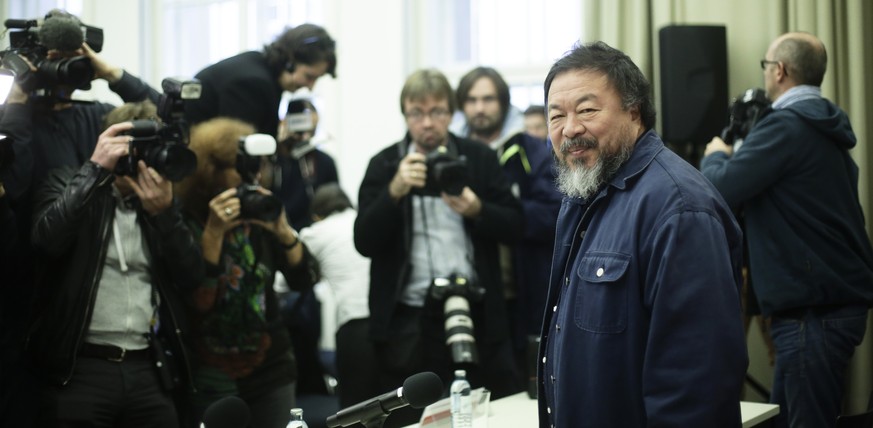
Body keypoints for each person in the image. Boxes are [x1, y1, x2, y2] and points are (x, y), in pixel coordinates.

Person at [537, 41, 748, 427]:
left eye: (586, 110)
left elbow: (697, 385)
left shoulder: (681, 209)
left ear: (634, 112)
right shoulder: (582, 196)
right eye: (555, 116)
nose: (570, 129)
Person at [701, 32, 873, 428]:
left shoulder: (786, 127)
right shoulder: (824, 123)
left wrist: (716, 157)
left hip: (811, 315)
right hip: (827, 308)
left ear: (779, 70)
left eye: (766, 65)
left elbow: (722, 189)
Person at [0, 10, 160, 426]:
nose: (65, 68)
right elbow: (14, 186)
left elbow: (164, 121)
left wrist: (113, 74)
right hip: (23, 284)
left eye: (74, 57)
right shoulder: (15, 118)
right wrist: (17, 96)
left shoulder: (94, 117)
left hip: (79, 288)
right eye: (56, 57)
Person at [354, 68, 524, 427]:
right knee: (410, 416)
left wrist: (478, 210)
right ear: (405, 115)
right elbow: (364, 241)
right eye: (417, 113)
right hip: (409, 318)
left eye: (437, 112)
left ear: (451, 113)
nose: (427, 123)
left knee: (491, 413)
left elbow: (516, 225)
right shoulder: (385, 164)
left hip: (476, 311)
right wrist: (395, 191)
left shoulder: (477, 158)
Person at [26, 101, 202, 428]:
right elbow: (46, 242)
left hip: (146, 365)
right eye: (144, 152)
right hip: (81, 367)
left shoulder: (159, 202)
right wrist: (96, 171)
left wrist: (165, 216)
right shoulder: (68, 182)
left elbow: (191, 275)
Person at [174, 117, 319, 428]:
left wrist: (282, 231)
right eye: (237, 167)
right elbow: (198, 301)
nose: (250, 176)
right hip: (209, 370)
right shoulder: (184, 221)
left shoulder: (257, 211)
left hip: (271, 366)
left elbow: (304, 278)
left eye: (256, 166)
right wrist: (213, 233)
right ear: (210, 170)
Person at [451, 66, 562, 390]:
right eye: (471, 100)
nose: (480, 108)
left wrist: (493, 212)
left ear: (503, 102)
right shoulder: (453, 153)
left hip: (523, 289)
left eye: (488, 99)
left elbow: (555, 212)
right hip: (470, 293)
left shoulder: (531, 149)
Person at [185, 24, 337, 137]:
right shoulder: (254, 84)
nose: (310, 87)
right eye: (309, 77)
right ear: (290, 62)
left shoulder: (259, 70)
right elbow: (238, 154)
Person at [298, 183, 374, 409]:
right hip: (392, 321)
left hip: (355, 325)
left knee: (357, 411)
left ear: (317, 215)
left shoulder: (315, 233)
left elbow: (284, 284)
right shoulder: (364, 222)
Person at [265, 98, 339, 230]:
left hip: (313, 232)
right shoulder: (273, 159)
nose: (305, 135)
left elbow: (334, 204)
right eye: (300, 125)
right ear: (286, 122)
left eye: (312, 129)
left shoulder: (325, 162)